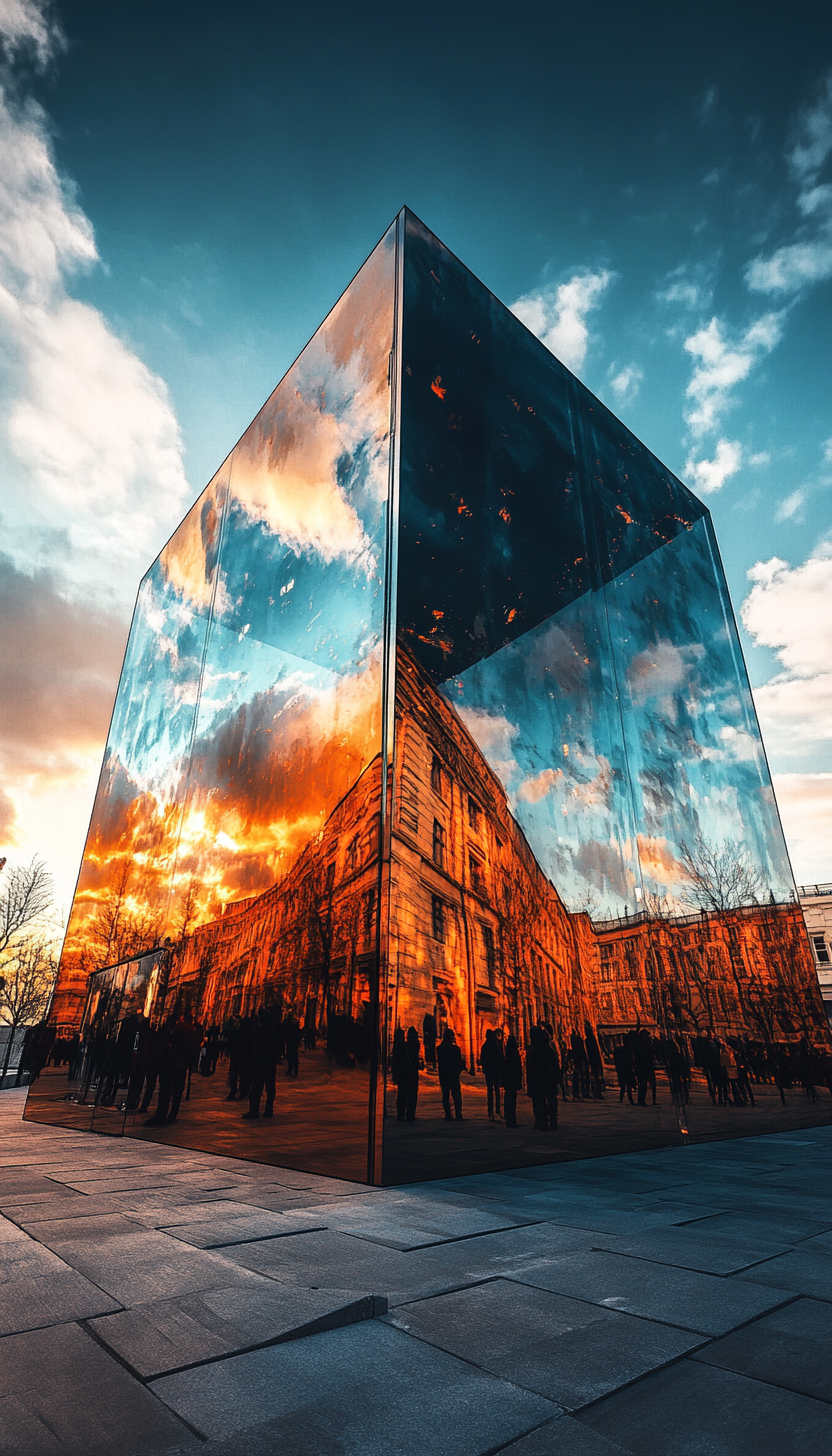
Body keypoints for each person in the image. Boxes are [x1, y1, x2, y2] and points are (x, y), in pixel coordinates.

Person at [527, 1023, 559, 1130]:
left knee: (540, 1101)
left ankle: (542, 1121)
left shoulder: (533, 1050)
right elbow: (555, 1064)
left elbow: (531, 1068)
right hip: (549, 1080)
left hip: (539, 1081)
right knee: (551, 1101)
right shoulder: (549, 1048)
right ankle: (553, 1121)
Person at [437, 1027, 464, 1121]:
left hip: (444, 1075)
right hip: (453, 1075)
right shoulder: (455, 1049)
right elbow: (459, 1063)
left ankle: (448, 1114)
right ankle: (458, 1113)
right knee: (456, 1095)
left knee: (446, 1095)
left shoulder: (440, 1048)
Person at [480, 1028, 504, 1120]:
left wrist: (484, 1068)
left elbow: (483, 1059)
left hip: (489, 1070)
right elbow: (500, 1057)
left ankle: (490, 1110)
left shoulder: (485, 1045)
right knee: (497, 1090)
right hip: (496, 1070)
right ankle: (497, 1109)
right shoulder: (497, 1043)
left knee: (490, 1090)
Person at [503, 1033, 523, 1127]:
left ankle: (509, 1119)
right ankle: (511, 1121)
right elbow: (517, 1068)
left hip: (508, 1080)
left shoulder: (508, 1052)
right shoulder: (514, 1053)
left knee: (509, 1099)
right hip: (513, 1080)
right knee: (511, 1100)